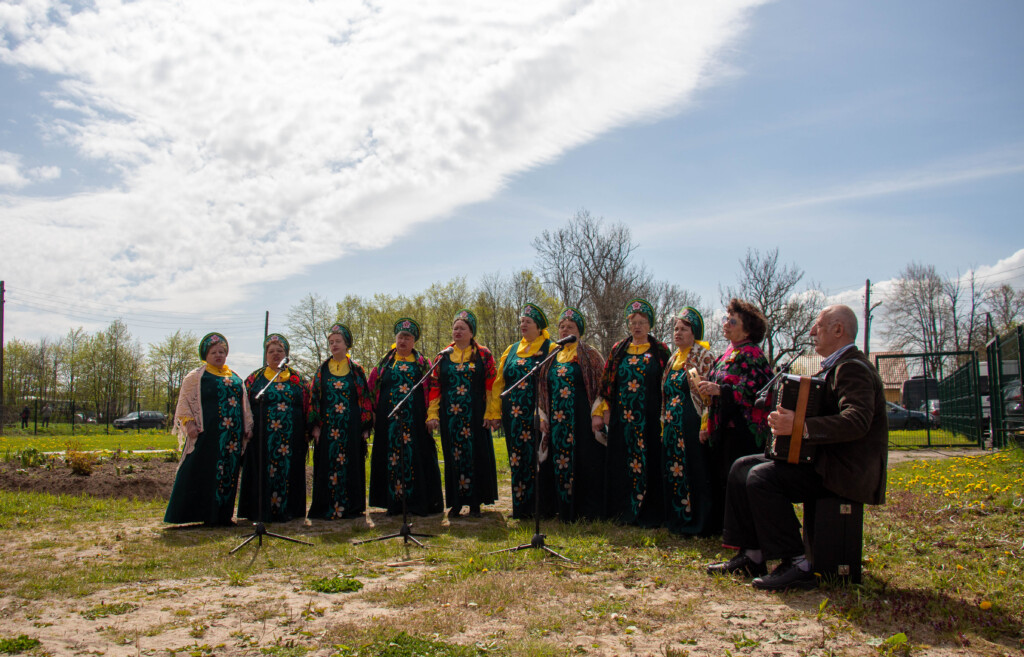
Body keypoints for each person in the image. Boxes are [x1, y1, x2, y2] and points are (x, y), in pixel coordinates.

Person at [706, 305, 888, 591]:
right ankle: (753, 555)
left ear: (838, 330)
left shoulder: (852, 367)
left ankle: (797, 562)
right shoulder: (835, 366)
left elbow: (857, 421)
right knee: (742, 467)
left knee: (762, 478)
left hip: (841, 472)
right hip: (823, 461)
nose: (812, 331)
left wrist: (799, 427)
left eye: (818, 325)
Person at [592, 298, 672, 526]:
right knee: (622, 463)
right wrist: (605, 410)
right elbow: (606, 383)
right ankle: (622, 510)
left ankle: (649, 512)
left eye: (642, 322)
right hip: (622, 419)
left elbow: (667, 383)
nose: (637, 326)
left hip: (650, 419)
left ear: (650, 325)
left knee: (649, 461)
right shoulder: (619, 349)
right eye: (633, 322)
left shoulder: (660, 350)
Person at [696, 298, 773, 534]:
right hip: (722, 428)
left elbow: (759, 390)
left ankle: (743, 532)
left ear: (747, 329)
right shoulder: (725, 354)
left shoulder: (753, 355)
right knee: (722, 479)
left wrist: (721, 390)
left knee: (739, 479)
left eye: (732, 321)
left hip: (742, 431)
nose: (726, 324)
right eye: (726, 319)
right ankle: (726, 528)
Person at [165, 332, 253, 526]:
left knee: (228, 474)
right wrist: (189, 424)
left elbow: (244, 404)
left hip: (232, 437)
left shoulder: (235, 377)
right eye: (214, 352)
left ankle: (223, 515)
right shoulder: (196, 377)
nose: (218, 355)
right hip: (208, 434)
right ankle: (200, 514)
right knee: (203, 471)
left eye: (222, 352)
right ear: (206, 355)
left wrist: (247, 426)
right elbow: (184, 403)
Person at [367, 318, 444, 517]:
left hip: (416, 423)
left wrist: (431, 415)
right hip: (388, 423)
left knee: (416, 458)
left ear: (414, 341)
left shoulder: (423, 364)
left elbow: (433, 390)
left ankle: (417, 502)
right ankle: (392, 503)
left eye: (407, 337)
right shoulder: (383, 364)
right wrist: (372, 415)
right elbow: (371, 389)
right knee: (391, 459)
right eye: (400, 337)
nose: (403, 341)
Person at [427, 309, 500, 519]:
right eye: (455, 328)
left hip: (476, 415)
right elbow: (435, 387)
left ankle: (475, 502)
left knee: (476, 455)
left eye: (462, 328)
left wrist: (491, 412)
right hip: (450, 416)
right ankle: (456, 502)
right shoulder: (443, 356)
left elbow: (492, 385)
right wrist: (433, 415)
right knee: (454, 457)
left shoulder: (483, 354)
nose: (457, 331)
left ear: (471, 332)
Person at [537, 307, 607, 522]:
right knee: (560, 461)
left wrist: (598, 414)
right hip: (558, 421)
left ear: (579, 331)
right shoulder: (552, 356)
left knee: (584, 461)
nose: (565, 330)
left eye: (570, 327)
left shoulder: (590, 354)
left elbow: (602, 387)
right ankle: (563, 509)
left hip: (582, 420)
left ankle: (586, 511)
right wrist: (543, 417)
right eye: (562, 326)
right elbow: (543, 388)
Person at [491, 303, 557, 519]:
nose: (523, 325)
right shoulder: (511, 350)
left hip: (538, 414)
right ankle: (521, 507)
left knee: (538, 458)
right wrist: (494, 413)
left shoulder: (551, 348)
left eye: (528, 322)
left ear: (538, 326)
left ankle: (542, 508)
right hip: (513, 417)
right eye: (521, 322)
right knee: (517, 458)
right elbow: (499, 383)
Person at [238, 334, 308, 523]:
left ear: (286, 354)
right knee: (262, 472)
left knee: (288, 472)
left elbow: (308, 405)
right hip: (262, 439)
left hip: (291, 438)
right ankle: (260, 511)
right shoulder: (254, 379)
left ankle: (289, 510)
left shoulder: (298, 379)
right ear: (266, 354)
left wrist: (308, 431)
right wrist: (246, 427)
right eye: (271, 351)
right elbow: (244, 406)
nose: (276, 354)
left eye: (280, 351)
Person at [307, 323, 373, 520]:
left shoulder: (356, 370)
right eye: (331, 342)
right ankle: (326, 506)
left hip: (351, 427)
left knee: (351, 464)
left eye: (338, 341)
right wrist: (315, 426)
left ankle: (351, 507)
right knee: (327, 465)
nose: (334, 345)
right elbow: (314, 399)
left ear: (346, 345)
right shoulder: (321, 370)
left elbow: (364, 399)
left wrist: (365, 427)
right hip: (327, 428)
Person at [660, 307, 717, 535]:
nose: (678, 333)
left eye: (683, 329)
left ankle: (700, 522)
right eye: (675, 329)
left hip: (693, 424)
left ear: (694, 333)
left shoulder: (704, 356)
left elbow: (709, 397)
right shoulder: (673, 358)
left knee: (696, 470)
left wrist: (705, 423)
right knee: (676, 470)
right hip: (672, 426)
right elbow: (665, 393)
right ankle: (679, 519)